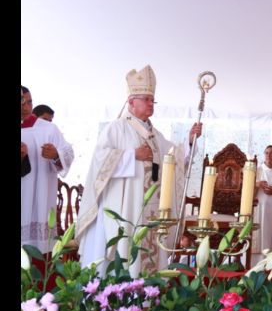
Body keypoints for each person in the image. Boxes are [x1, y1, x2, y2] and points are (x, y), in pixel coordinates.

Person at [76, 65, 202, 277]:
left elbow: (175, 159)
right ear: (131, 101)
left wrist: (190, 141)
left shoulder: (155, 135)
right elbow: (99, 162)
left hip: (152, 208)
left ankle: (149, 293)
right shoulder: (116, 128)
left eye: (153, 100)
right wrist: (131, 155)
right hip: (127, 207)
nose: (151, 104)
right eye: (146, 99)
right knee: (126, 251)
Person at [21, 86, 75, 252]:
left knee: (39, 254)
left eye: (29, 102)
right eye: (22, 103)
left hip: (40, 199)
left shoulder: (48, 129)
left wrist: (56, 154)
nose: (26, 107)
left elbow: (68, 153)